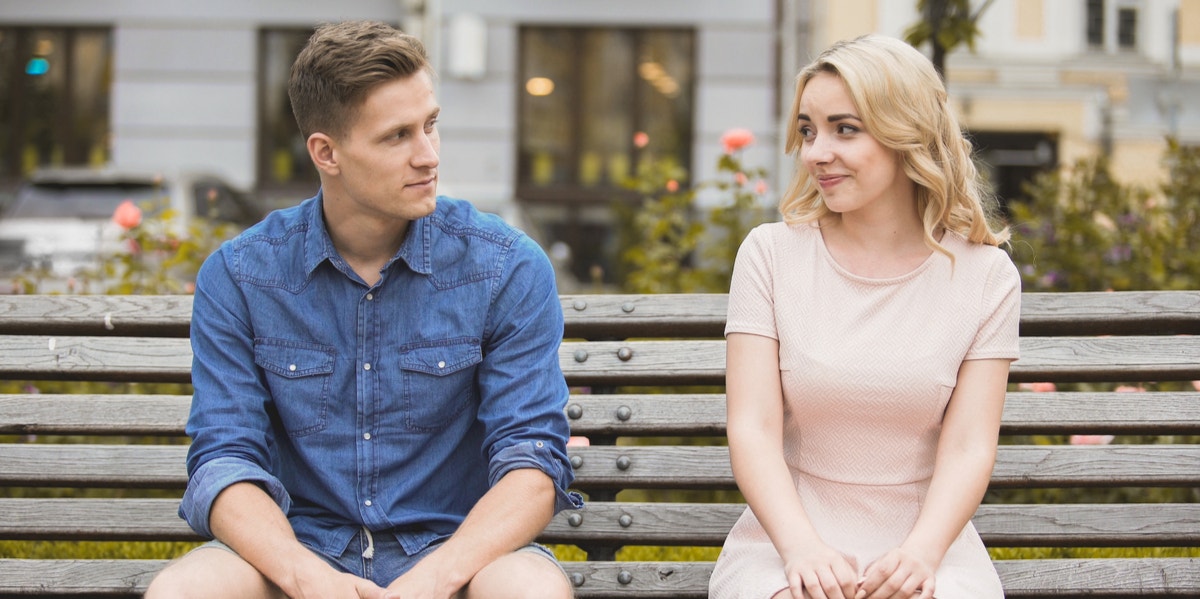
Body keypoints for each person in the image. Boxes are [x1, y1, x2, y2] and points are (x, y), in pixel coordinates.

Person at [145, 20, 581, 599]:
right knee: (188, 591)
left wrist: (433, 580)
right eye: (396, 136)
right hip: (296, 553)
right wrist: (306, 578)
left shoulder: (505, 267)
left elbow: (531, 460)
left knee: (529, 590)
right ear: (327, 152)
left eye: (430, 126)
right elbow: (224, 460)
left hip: (459, 554)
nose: (427, 156)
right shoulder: (242, 276)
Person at [708, 35, 1020, 599]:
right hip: (786, 542)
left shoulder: (986, 278)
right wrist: (801, 549)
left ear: (908, 134)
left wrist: (921, 555)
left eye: (844, 129)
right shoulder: (770, 255)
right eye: (808, 130)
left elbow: (970, 446)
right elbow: (752, 429)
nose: (815, 152)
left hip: (928, 546)